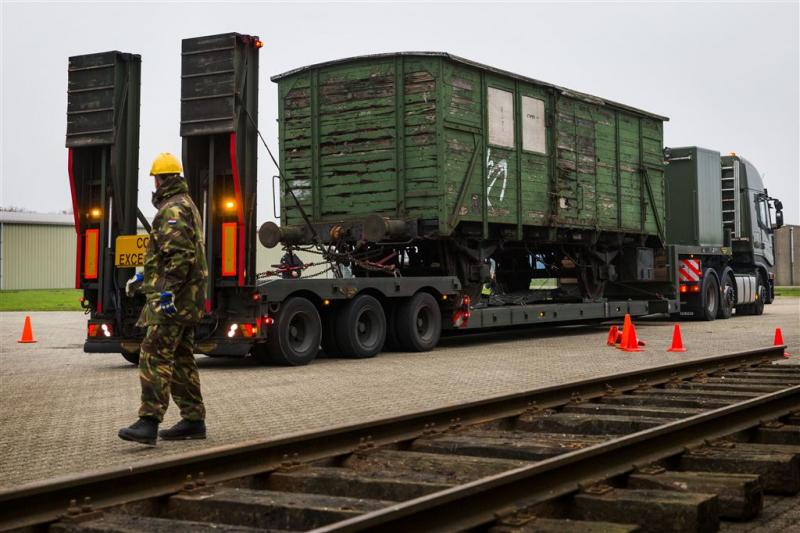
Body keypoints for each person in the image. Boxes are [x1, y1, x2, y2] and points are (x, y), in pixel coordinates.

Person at [119, 153, 209, 446]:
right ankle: (193, 420)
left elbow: (180, 256)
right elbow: (175, 253)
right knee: (182, 358)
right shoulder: (187, 205)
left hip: (173, 300)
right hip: (189, 298)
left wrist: (166, 289)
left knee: (154, 355)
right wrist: (147, 278)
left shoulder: (171, 209)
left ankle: (148, 421)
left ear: (160, 180)